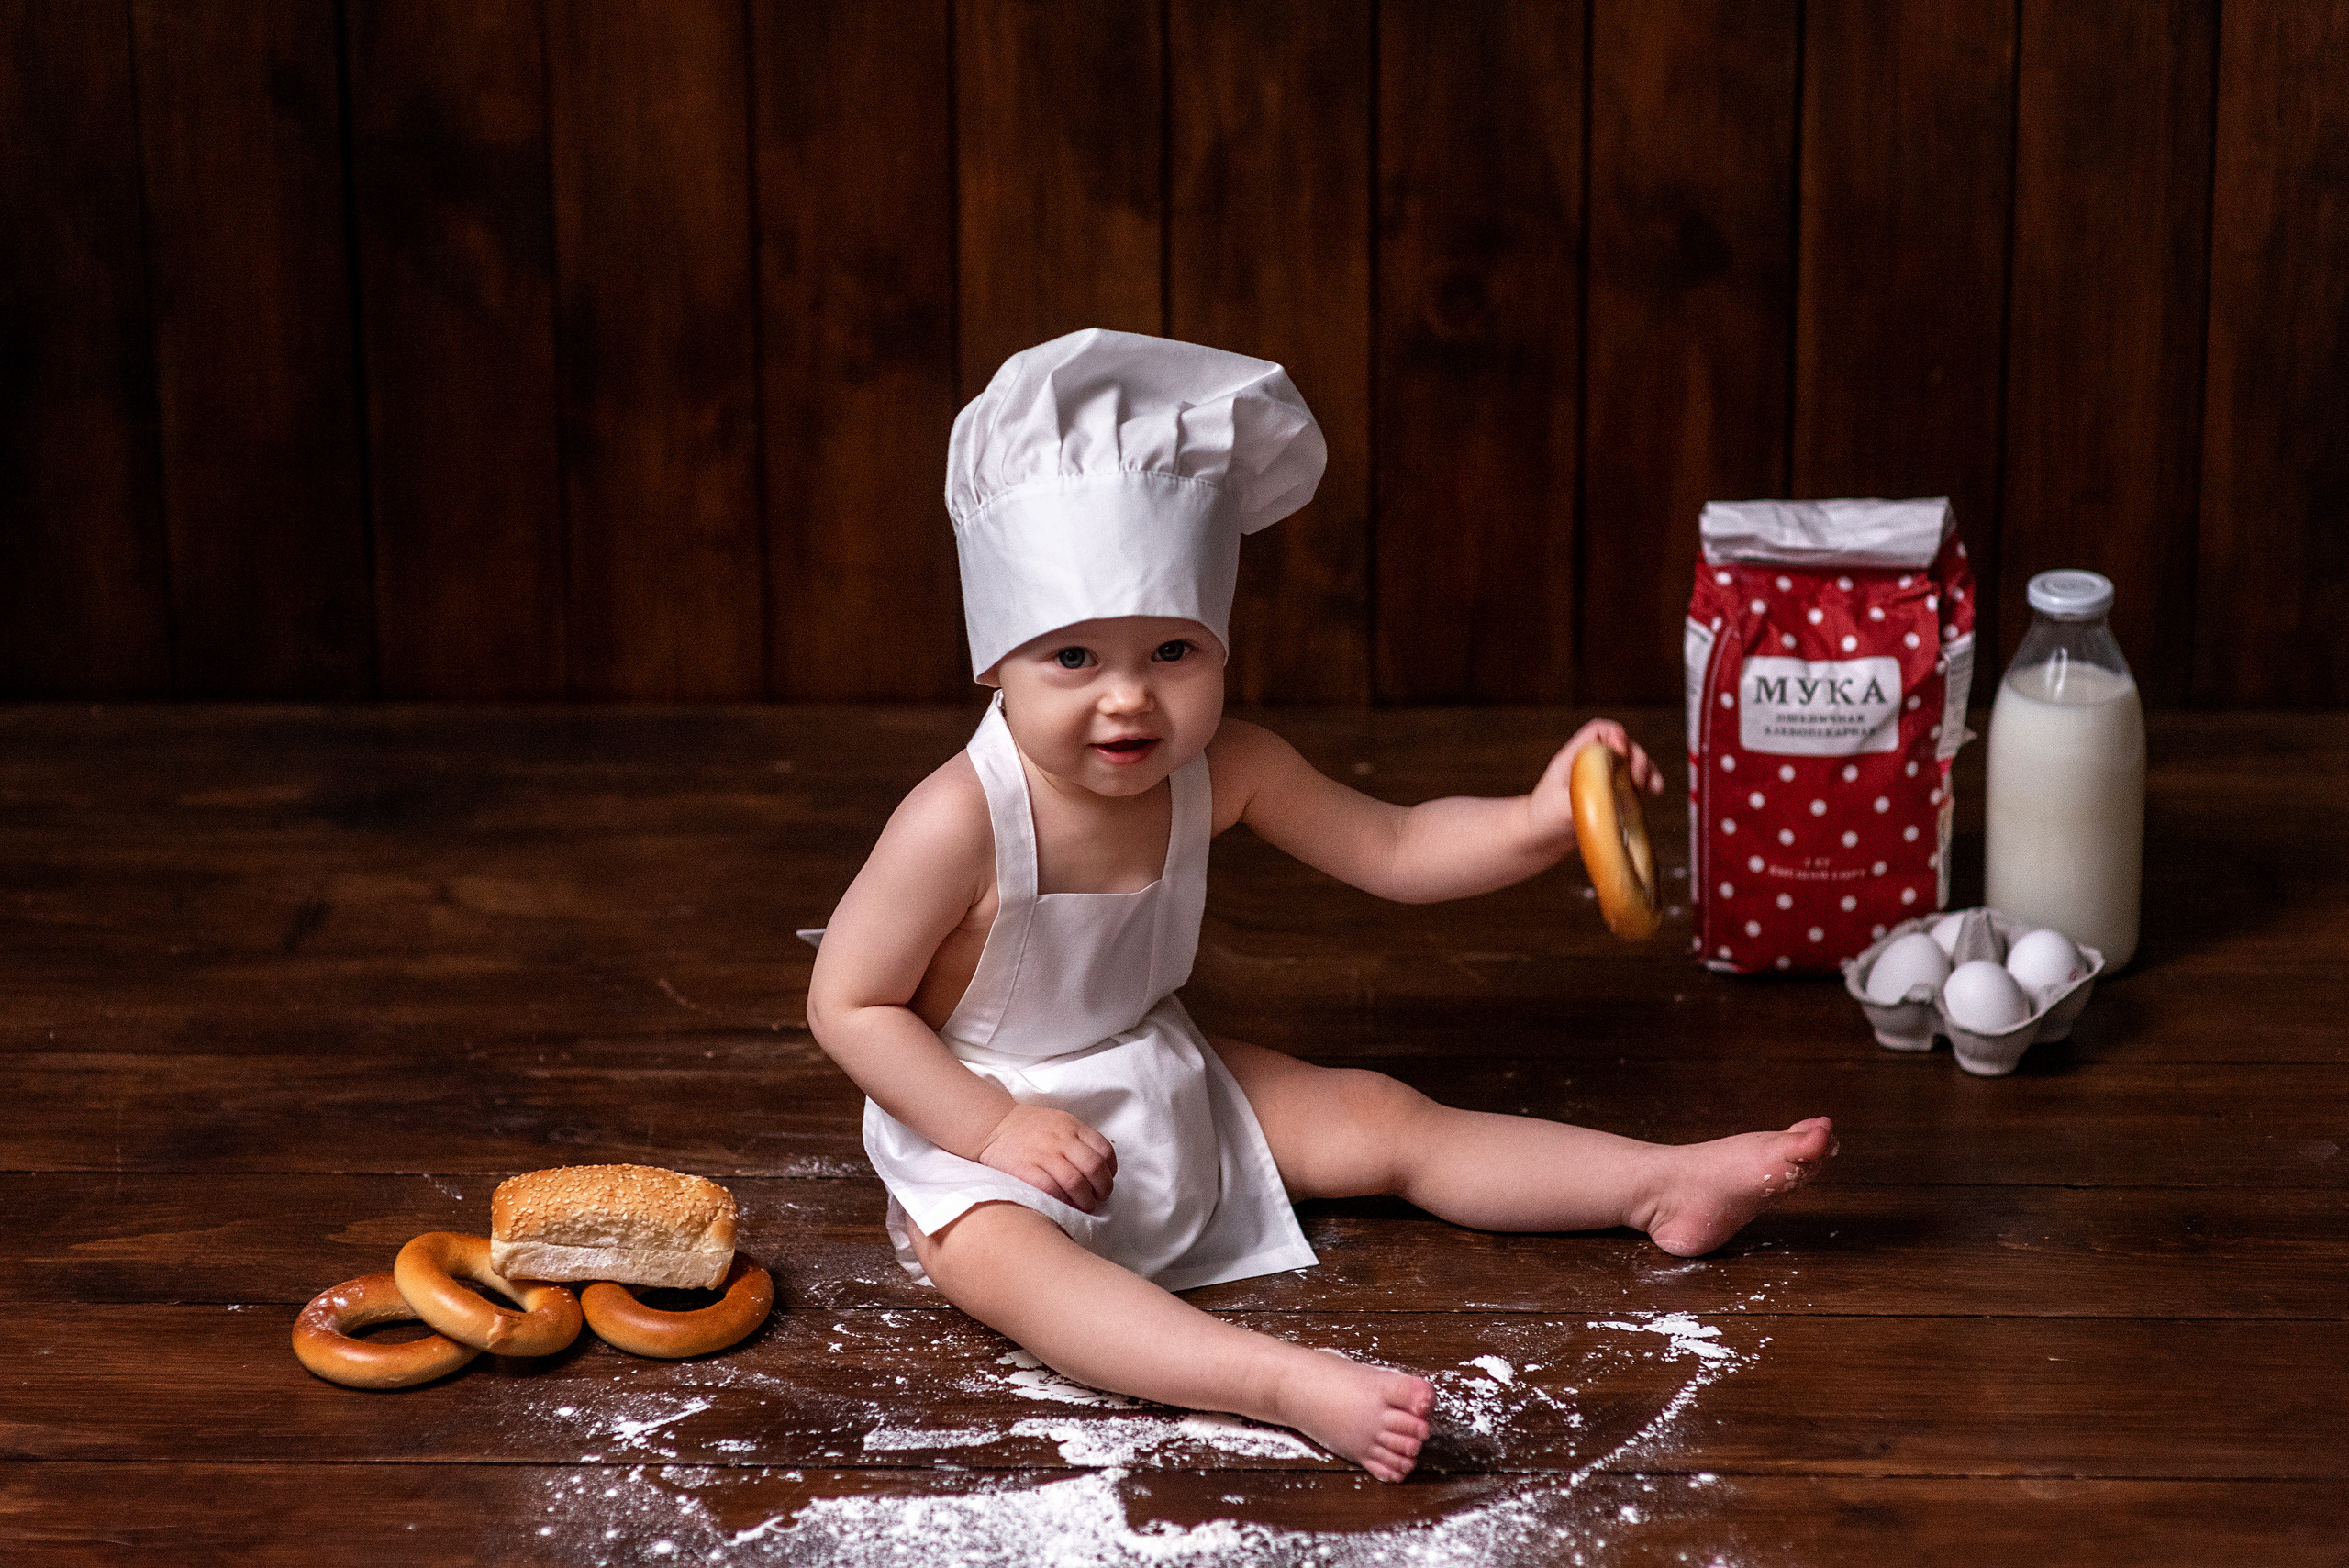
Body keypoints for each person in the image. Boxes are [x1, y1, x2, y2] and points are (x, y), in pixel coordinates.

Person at [805, 329, 1836, 1482]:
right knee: (1021, 1276)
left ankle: (1661, 1182)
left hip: (1148, 1060)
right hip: (978, 1123)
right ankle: (1279, 1380)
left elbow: (1394, 845)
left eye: (1173, 649)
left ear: (1220, 645)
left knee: (1384, 1117)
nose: (1130, 697)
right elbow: (848, 1003)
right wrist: (995, 1127)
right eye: (1076, 657)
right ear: (996, 660)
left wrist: (1541, 819)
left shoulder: (1222, 764)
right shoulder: (957, 817)